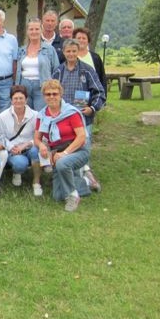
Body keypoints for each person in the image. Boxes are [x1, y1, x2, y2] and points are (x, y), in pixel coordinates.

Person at [52, 38, 105, 191]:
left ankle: (86, 178)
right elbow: (52, 94)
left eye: (74, 51)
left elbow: (100, 93)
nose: (71, 54)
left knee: (82, 149)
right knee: (67, 151)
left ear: (78, 51)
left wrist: (92, 108)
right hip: (63, 120)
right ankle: (71, 182)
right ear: (64, 52)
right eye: (68, 51)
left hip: (83, 118)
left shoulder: (87, 70)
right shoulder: (58, 71)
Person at [34, 79, 91, 212]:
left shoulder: (71, 112)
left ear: (61, 95)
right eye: (48, 94)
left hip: (78, 150)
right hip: (57, 151)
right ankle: (84, 183)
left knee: (62, 163)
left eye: (55, 93)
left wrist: (64, 154)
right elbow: (37, 138)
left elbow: (81, 137)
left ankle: (73, 196)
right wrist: (42, 146)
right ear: (44, 96)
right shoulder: (42, 115)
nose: (52, 97)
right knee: (57, 196)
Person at [0, 85, 42, 196]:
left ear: (26, 99)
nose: (18, 101)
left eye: (21, 98)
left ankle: (36, 182)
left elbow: (40, 136)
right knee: (20, 164)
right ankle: (17, 172)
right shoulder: (3, 116)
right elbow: (0, 136)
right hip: (13, 150)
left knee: (36, 151)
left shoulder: (35, 115)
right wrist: (11, 147)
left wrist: (27, 144)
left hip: (30, 147)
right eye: (15, 98)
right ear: (11, 101)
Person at [15, 18, 60, 112]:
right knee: (26, 115)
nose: (34, 32)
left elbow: (56, 71)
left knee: (42, 114)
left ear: (41, 30)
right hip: (24, 86)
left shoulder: (49, 50)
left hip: (42, 86)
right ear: (27, 31)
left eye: (37, 29)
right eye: (31, 29)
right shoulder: (22, 50)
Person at [73, 27, 106, 91]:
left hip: (92, 94)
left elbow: (102, 78)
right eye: (79, 38)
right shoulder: (68, 57)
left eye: (84, 38)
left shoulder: (95, 58)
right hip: (71, 95)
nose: (81, 40)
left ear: (88, 41)